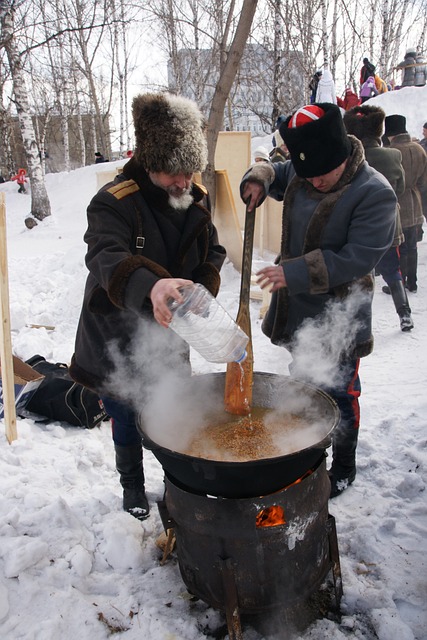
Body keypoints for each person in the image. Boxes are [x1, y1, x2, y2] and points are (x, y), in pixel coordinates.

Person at [69, 92, 226, 520]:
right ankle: (132, 488)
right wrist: (152, 286)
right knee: (125, 414)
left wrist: (204, 283)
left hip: (171, 331)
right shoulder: (113, 201)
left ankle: (177, 487)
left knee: (172, 410)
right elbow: (105, 255)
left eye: (189, 170)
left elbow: (212, 249)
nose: (183, 181)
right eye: (173, 172)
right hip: (116, 330)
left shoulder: (194, 195)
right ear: (150, 162)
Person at [239, 103, 396, 498]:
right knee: (307, 385)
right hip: (298, 314)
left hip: (339, 314)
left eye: (323, 175)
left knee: (340, 392)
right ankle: (311, 456)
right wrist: (258, 178)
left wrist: (291, 273)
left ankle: (344, 463)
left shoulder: (375, 193)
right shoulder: (307, 171)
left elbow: (358, 257)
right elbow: (276, 171)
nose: (315, 182)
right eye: (308, 175)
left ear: (342, 155)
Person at [343, 104, 413, 331]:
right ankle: (404, 315)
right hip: (388, 223)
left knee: (362, 277)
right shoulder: (393, 155)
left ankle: (361, 325)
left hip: (357, 227)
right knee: (393, 270)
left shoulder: (348, 157)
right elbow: (400, 188)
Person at [384, 114, 427, 292]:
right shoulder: (419, 149)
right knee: (412, 245)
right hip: (415, 199)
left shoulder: (392, 152)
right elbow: (424, 182)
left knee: (400, 245)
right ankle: (413, 281)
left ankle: (400, 282)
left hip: (399, 201)